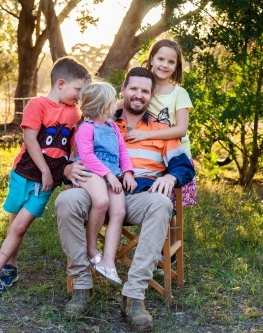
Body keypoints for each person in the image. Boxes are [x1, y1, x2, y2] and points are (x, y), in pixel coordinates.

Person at [55, 67, 195, 330]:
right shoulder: (100, 119)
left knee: (163, 203)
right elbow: (73, 157)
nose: (138, 95)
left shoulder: (161, 130)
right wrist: (66, 169)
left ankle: (133, 296)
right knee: (66, 201)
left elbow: (184, 166)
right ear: (122, 90)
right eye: (134, 88)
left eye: (145, 91)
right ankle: (82, 287)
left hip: (137, 197)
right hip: (94, 193)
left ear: (151, 95)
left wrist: (170, 178)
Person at [0, 56, 90, 294]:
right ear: (61, 84)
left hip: (48, 180)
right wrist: (43, 171)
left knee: (20, 225)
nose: (79, 96)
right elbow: (30, 139)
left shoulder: (75, 112)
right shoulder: (37, 105)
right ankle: (12, 266)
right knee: (15, 220)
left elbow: (73, 144)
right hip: (25, 172)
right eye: (77, 90)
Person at [123, 39, 197, 261]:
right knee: (154, 198)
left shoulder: (178, 93)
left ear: (177, 66)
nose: (165, 64)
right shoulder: (144, 87)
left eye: (171, 61)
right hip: (151, 157)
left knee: (167, 202)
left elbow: (181, 129)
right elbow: (117, 106)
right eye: (161, 59)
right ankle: (157, 243)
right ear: (151, 59)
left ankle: (169, 247)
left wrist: (146, 135)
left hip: (174, 155)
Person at [74, 81, 137, 286]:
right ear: (104, 108)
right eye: (113, 102)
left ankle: (108, 261)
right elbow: (87, 156)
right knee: (101, 202)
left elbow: (122, 151)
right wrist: (108, 175)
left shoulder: (112, 127)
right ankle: (91, 249)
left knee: (118, 210)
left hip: (113, 174)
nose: (116, 105)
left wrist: (127, 172)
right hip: (91, 172)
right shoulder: (86, 128)